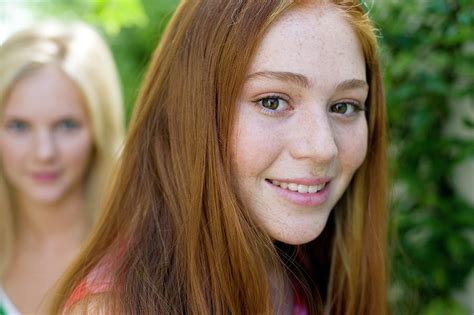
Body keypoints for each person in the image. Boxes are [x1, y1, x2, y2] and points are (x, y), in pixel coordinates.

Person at [52, 0, 388, 314]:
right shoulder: (115, 306)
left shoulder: (315, 280)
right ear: (190, 113)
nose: (322, 147)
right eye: (272, 101)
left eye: (343, 106)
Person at [0, 21, 125, 314]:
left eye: (66, 125)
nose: (44, 153)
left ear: (98, 130)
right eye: (19, 126)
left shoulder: (145, 257)